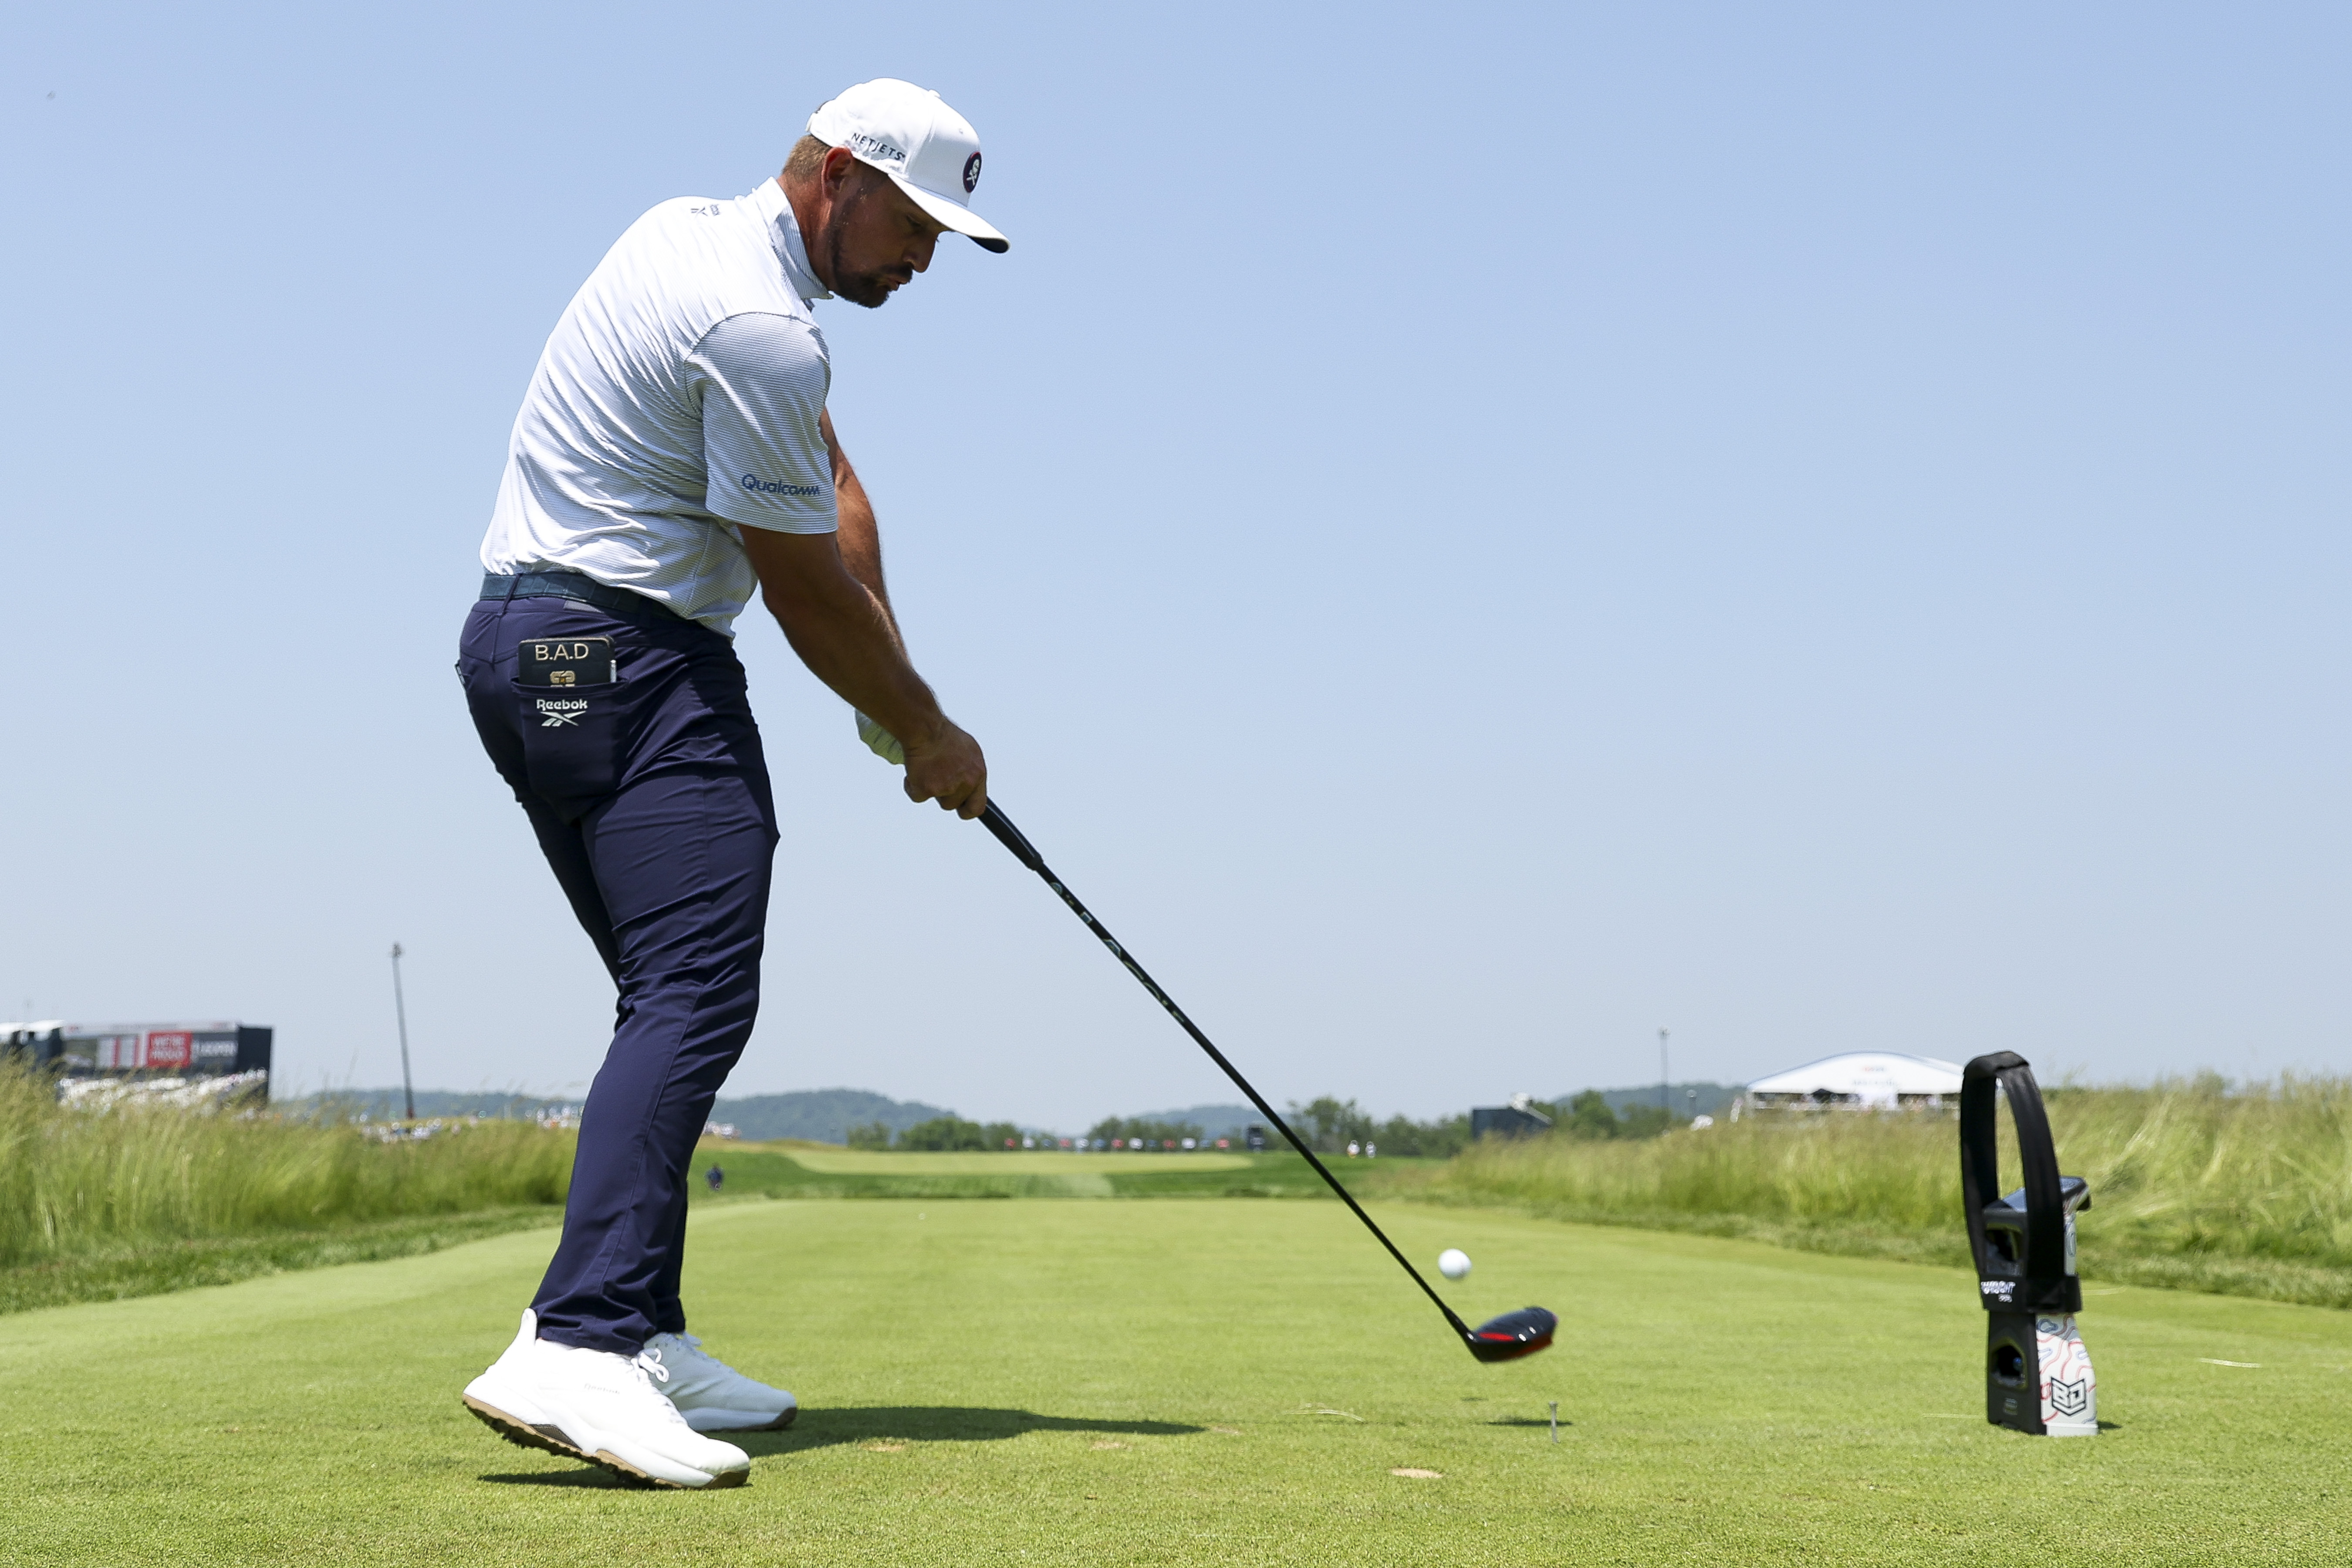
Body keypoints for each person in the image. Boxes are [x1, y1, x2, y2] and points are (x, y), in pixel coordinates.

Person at [454, 78, 1004, 1490]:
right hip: (633, 657)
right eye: (913, 222)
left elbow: (838, 501)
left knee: (667, 987)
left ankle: (643, 1329)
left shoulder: (694, 239)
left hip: (524, 653)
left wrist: (901, 702)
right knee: (699, 989)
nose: (925, 257)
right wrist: (926, 728)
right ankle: (577, 1341)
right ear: (836, 174)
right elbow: (803, 588)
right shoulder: (758, 327)